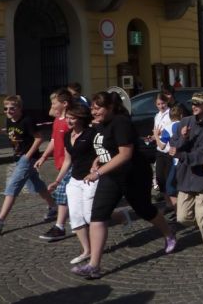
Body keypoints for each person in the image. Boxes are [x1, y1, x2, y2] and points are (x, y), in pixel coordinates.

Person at [71, 92, 176, 279]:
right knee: (98, 215)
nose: (94, 112)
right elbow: (106, 147)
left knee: (144, 209)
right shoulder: (101, 124)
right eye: (92, 108)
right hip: (111, 176)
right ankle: (94, 265)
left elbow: (125, 154)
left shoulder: (121, 123)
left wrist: (97, 173)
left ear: (110, 107)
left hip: (133, 174)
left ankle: (168, 233)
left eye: (98, 108)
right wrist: (98, 159)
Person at [0, 95, 56, 235]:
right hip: (19, 157)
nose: (8, 111)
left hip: (27, 159)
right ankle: (54, 207)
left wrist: (27, 156)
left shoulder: (27, 120)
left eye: (12, 108)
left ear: (19, 108)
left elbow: (39, 138)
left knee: (12, 186)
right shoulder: (9, 120)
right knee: (37, 184)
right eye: (6, 108)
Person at [169, 93, 203, 260]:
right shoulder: (185, 122)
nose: (194, 106)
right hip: (185, 177)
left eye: (198, 103)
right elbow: (173, 145)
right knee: (182, 217)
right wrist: (183, 138)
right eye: (193, 103)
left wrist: (181, 154)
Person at [56, 103, 97, 264]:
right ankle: (87, 250)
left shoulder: (91, 133)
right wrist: (57, 180)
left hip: (91, 179)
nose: (68, 121)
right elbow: (67, 160)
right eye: (67, 117)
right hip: (74, 180)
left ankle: (121, 216)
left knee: (89, 216)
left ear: (80, 119)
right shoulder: (67, 136)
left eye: (72, 118)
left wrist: (96, 164)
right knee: (75, 217)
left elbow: (102, 151)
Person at [35, 88, 73, 241]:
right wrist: (44, 156)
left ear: (64, 104)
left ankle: (60, 226)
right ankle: (120, 215)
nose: (51, 105)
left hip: (71, 163)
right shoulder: (58, 120)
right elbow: (53, 140)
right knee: (74, 196)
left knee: (62, 194)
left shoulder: (70, 121)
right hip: (60, 161)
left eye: (54, 102)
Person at [152, 93, 173, 212]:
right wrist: (154, 136)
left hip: (169, 148)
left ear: (167, 103)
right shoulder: (157, 116)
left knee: (169, 178)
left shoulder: (170, 114)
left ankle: (174, 204)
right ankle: (168, 203)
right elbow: (157, 131)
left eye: (163, 103)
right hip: (160, 149)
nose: (161, 106)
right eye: (159, 104)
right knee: (160, 177)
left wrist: (158, 134)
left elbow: (171, 131)